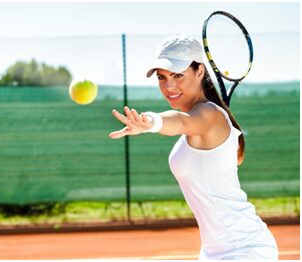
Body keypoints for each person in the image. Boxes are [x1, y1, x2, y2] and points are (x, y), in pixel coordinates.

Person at [109, 34, 278, 260]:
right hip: (213, 251)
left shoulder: (210, 114)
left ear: (200, 72)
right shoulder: (207, 118)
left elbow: (179, 121)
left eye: (178, 75)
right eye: (161, 77)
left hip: (245, 249)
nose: (169, 86)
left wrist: (150, 122)